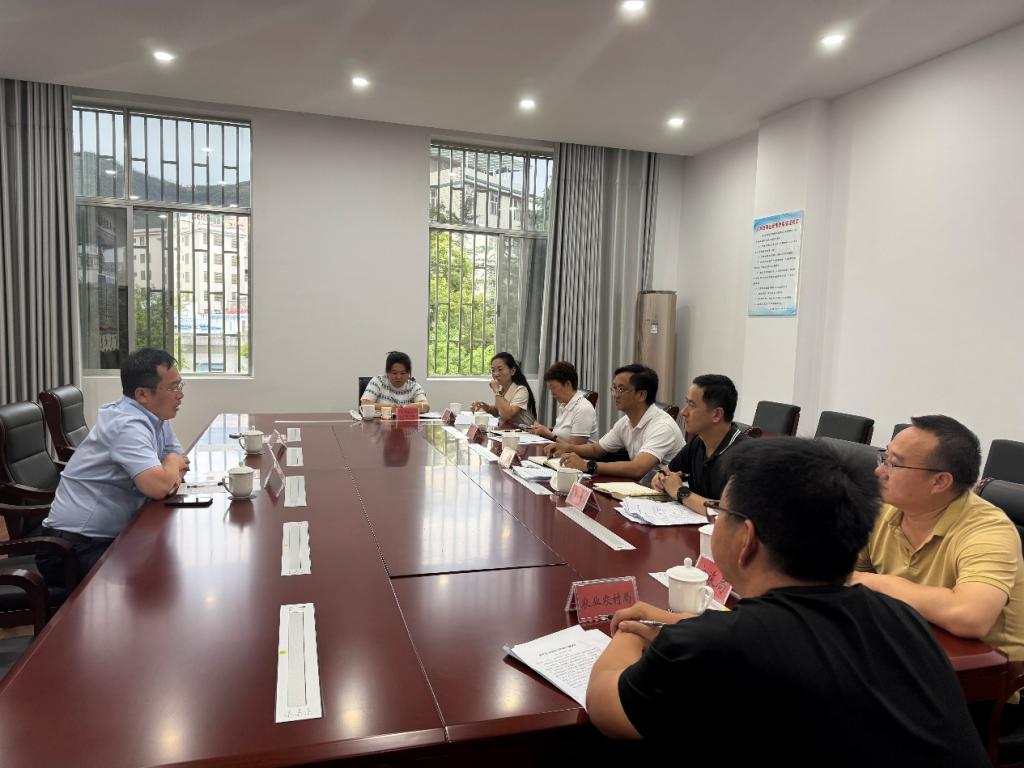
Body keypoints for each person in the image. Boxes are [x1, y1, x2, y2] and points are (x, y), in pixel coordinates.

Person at [586, 438, 989, 766]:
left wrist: (631, 631)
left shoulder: (716, 646)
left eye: (721, 511)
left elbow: (605, 705)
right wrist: (677, 624)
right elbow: (799, 643)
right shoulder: (900, 617)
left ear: (746, 539)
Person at [852, 415, 1024, 667]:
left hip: (987, 674)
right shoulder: (884, 510)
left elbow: (970, 616)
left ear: (939, 481)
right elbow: (838, 574)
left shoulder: (988, 531)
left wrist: (875, 582)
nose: (879, 471)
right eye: (884, 457)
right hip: (913, 647)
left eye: (893, 464)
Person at [36, 348, 190, 587]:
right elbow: (159, 486)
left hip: (105, 537)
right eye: (173, 388)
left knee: (170, 567)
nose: (180, 395)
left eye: (179, 385)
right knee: (156, 581)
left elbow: (181, 462)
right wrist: (169, 464)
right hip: (72, 548)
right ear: (142, 394)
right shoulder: (126, 425)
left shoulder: (155, 416)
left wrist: (169, 469)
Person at [546, 364, 683, 480]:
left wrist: (588, 465)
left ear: (641, 395)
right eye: (614, 388)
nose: (615, 395)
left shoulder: (662, 426)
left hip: (669, 494)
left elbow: (638, 468)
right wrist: (567, 448)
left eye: (621, 389)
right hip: (645, 486)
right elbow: (596, 450)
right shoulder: (625, 422)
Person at [651, 373, 748, 514]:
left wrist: (680, 491)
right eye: (686, 403)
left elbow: (729, 511)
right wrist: (661, 478)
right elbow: (668, 471)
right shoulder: (698, 441)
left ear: (716, 414)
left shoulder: (745, 455)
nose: (684, 412)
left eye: (692, 405)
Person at [528, 361, 597, 445]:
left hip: (575, 453)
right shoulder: (564, 405)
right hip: (560, 451)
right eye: (550, 389)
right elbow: (560, 436)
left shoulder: (583, 408)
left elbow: (576, 447)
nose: (552, 393)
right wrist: (543, 430)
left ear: (567, 384)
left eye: (553, 387)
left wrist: (550, 435)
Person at [470, 352, 537, 428]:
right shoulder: (501, 389)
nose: (496, 374)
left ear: (512, 371)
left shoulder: (521, 390)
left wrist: (496, 391)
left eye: (500, 369)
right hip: (506, 431)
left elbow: (507, 415)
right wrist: (486, 407)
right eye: (493, 370)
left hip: (523, 432)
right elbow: (499, 412)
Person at [360, 350, 429, 413]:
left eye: (403, 373)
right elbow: (365, 403)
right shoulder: (378, 381)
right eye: (394, 373)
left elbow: (426, 406)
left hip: (405, 422)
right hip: (379, 422)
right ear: (387, 372)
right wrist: (390, 408)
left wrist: (407, 407)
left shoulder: (413, 386)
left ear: (408, 373)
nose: (398, 377)